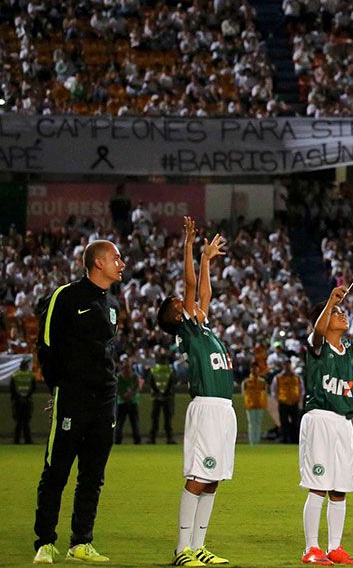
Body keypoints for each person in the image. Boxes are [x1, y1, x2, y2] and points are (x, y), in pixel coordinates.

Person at [32, 239, 125, 564]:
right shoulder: (66, 295)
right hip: (73, 397)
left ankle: (81, 542)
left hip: (105, 399)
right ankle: (45, 541)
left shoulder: (113, 303)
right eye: (116, 257)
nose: (121, 263)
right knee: (56, 471)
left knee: (92, 475)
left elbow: (105, 351)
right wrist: (59, 388)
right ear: (97, 262)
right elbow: (45, 344)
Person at [156, 220, 235, 567]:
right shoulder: (187, 328)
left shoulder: (202, 326)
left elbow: (204, 293)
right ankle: (181, 549)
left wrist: (206, 261)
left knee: (213, 479)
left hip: (224, 408)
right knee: (198, 478)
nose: (187, 300)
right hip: (205, 406)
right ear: (177, 314)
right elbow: (192, 287)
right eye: (180, 302)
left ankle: (199, 546)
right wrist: (189, 245)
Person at [299, 285, 353, 565]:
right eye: (336, 313)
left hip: (344, 423)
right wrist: (330, 303)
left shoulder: (349, 347)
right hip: (320, 418)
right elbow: (316, 334)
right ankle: (311, 548)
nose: (342, 314)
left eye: (341, 311)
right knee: (318, 486)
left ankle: (335, 547)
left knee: (339, 488)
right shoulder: (317, 344)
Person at [149, 352, 176, 444]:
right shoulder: (170, 370)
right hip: (166, 398)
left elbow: (151, 383)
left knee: (156, 419)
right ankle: (169, 438)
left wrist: (158, 394)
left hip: (156, 398)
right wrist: (164, 394)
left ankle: (152, 439)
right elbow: (172, 384)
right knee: (167, 419)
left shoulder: (153, 370)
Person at [113, 359, 142, 444]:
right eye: (125, 367)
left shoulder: (135, 376)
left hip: (132, 402)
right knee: (119, 423)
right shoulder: (119, 377)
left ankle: (137, 440)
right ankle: (118, 440)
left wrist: (129, 395)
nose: (126, 369)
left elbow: (136, 388)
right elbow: (117, 389)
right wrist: (124, 396)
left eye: (128, 367)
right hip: (122, 402)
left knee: (134, 422)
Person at [12, 354, 36, 444]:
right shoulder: (31, 375)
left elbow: (12, 389)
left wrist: (19, 397)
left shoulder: (15, 375)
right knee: (26, 422)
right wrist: (26, 397)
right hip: (28, 401)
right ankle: (28, 440)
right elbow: (33, 388)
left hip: (17, 402)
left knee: (18, 422)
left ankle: (16, 441)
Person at [242, 365, 268, 445]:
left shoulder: (262, 382)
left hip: (260, 404)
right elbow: (243, 393)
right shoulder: (246, 382)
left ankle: (257, 441)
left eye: (256, 369)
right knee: (251, 424)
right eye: (253, 369)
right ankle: (252, 442)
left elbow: (265, 392)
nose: (254, 371)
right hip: (250, 405)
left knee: (258, 423)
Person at [277, 366, 303, 443]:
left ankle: (295, 439)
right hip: (283, 402)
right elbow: (274, 389)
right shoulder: (279, 377)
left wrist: (299, 398)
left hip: (294, 402)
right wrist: (278, 399)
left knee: (295, 422)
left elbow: (301, 388)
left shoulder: (296, 377)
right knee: (284, 422)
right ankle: (285, 439)